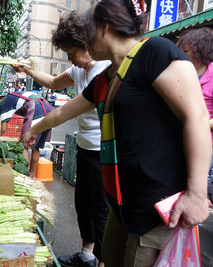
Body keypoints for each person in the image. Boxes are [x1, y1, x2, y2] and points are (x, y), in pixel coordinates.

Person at [19, 0, 211, 266]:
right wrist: (34, 129)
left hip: (155, 207)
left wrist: (197, 195)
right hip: (122, 205)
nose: (84, 40)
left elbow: (197, 117)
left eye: (87, 30)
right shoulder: (108, 75)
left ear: (104, 27)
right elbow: (64, 112)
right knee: (108, 255)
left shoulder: (155, 51)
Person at [12, 10, 110, 267]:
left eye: (71, 53)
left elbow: (64, 111)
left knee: (100, 212)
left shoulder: (106, 69)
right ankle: (86, 255)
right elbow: (54, 82)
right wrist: (28, 70)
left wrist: (32, 129)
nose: (69, 59)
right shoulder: (79, 69)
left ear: (87, 44)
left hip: (105, 152)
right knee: (84, 204)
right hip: (84, 146)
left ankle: (100, 261)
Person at [177, 27, 213, 204]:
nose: (180, 55)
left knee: (199, 186)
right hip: (179, 137)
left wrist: (199, 124)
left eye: (185, 51)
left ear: (201, 50)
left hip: (204, 142)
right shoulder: (181, 71)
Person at [0, 91, 53, 178]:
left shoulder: (3, 102)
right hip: (49, 110)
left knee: (24, 145)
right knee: (36, 147)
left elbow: (3, 128)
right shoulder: (13, 96)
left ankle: (25, 176)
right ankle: (32, 176)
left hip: (36, 109)